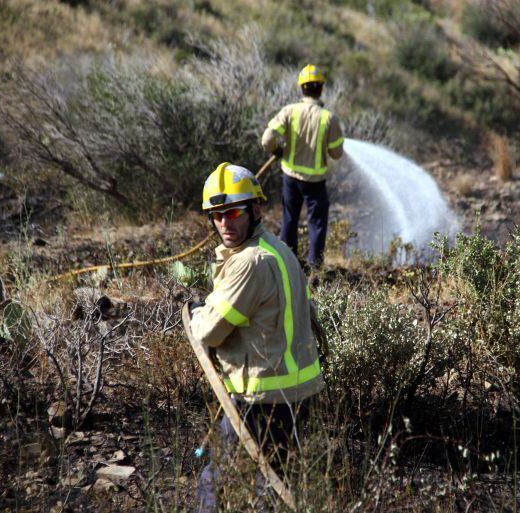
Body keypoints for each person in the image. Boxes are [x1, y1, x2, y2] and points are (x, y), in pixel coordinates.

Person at [183, 162, 325, 512]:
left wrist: (198, 311)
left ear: (255, 209)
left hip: (262, 398)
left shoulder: (250, 262)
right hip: (295, 393)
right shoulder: (279, 249)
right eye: (216, 215)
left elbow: (209, 332)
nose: (224, 223)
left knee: (216, 484)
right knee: (275, 484)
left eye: (232, 212)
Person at [262, 64, 345, 268]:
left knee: (289, 219)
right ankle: (315, 268)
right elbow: (337, 153)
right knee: (316, 223)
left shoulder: (289, 111)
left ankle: (287, 263)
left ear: (302, 88)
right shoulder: (329, 118)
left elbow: (267, 139)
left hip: (290, 177)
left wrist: (276, 150)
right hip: (315, 183)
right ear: (321, 89)